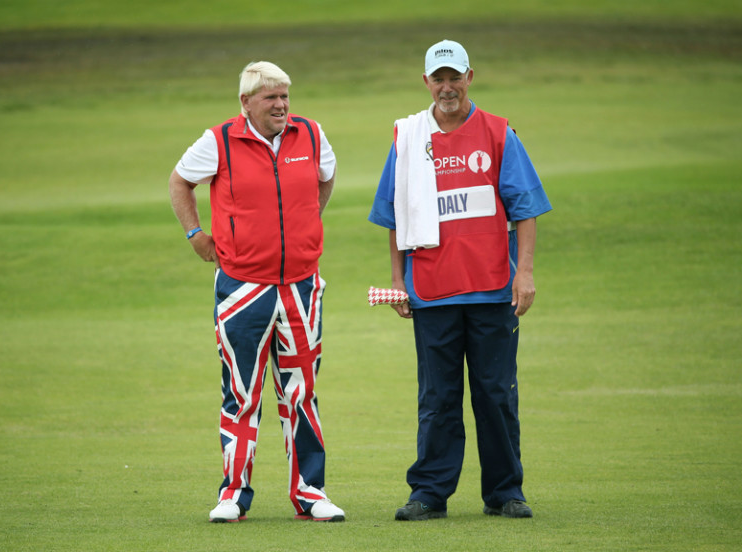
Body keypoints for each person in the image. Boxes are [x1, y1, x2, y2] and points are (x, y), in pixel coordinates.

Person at [367, 39, 552, 521]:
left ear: (470, 76)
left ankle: (505, 492)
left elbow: (525, 209)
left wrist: (525, 274)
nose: (447, 87)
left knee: (495, 394)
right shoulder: (407, 138)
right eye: (438, 78)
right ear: (425, 82)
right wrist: (397, 280)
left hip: (493, 288)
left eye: (455, 76)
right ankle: (429, 492)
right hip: (430, 290)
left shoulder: (497, 133)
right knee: (438, 398)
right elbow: (393, 215)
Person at [169, 61, 344, 523]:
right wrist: (195, 235)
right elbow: (180, 181)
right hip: (243, 289)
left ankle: (311, 492)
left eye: (285, 96)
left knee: (301, 393)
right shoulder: (220, 140)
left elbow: (326, 177)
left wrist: (307, 221)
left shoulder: (311, 134)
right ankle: (233, 493)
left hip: (302, 287)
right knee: (242, 392)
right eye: (271, 98)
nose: (282, 105)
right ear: (246, 103)